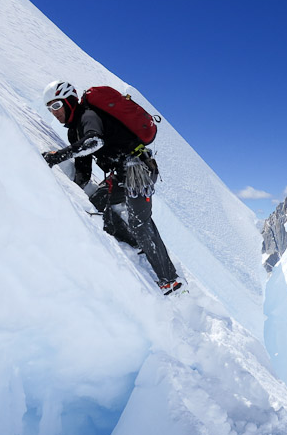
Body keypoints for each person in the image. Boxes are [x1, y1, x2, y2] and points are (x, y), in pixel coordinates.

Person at [41, 80, 182, 295]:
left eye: (57, 106)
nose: (54, 112)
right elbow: (83, 169)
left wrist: (58, 156)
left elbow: (94, 142)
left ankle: (170, 280)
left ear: (69, 101)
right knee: (100, 200)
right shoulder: (74, 132)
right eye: (50, 108)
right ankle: (135, 246)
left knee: (139, 220)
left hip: (138, 169)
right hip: (121, 173)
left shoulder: (88, 116)